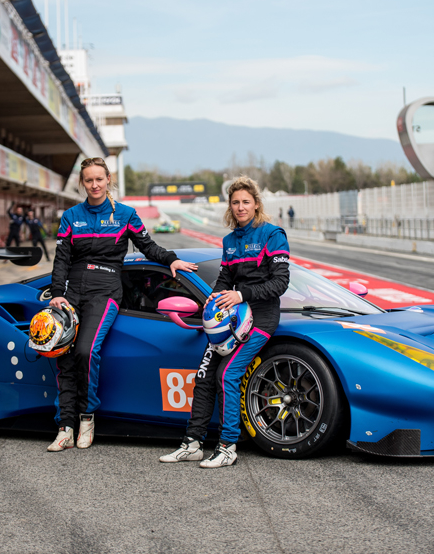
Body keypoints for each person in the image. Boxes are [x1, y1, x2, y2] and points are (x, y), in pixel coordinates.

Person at [47, 157, 198, 451]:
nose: (94, 185)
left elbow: (148, 246)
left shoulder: (126, 214)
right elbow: (61, 259)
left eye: (99, 179)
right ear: (82, 183)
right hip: (72, 290)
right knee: (63, 353)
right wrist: (57, 292)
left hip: (105, 290)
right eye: (89, 180)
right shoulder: (71, 216)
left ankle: (86, 418)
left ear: (108, 180)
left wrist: (171, 260)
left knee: (85, 351)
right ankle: (65, 426)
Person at [160, 176, 289, 468]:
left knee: (227, 375)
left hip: (261, 318)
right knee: (204, 376)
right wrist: (214, 297)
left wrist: (240, 295)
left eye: (246, 202)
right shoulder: (230, 241)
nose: (241, 207)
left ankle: (228, 446)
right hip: (232, 318)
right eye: (235, 203)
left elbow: (281, 283)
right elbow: (225, 279)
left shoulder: (272, 234)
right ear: (230, 207)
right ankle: (192, 444)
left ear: (256, 204)